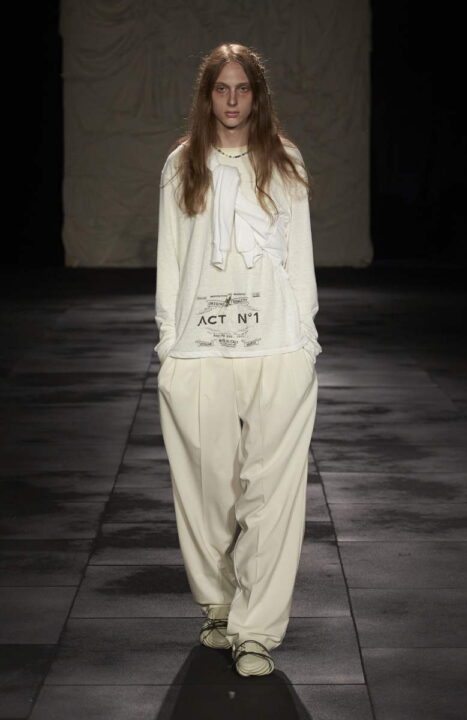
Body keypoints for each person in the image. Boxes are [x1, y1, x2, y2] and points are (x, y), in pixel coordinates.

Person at [154, 42, 322, 677]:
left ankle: (256, 631)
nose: (231, 99)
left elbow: (300, 256)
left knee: (273, 495)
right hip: (201, 350)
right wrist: (169, 344)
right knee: (206, 491)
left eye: (242, 88)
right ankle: (220, 604)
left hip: (277, 346)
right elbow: (171, 260)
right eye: (221, 88)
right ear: (207, 96)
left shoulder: (284, 161)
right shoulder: (182, 165)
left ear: (257, 95)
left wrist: (306, 340)